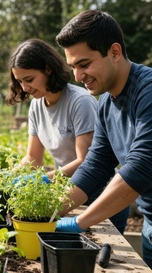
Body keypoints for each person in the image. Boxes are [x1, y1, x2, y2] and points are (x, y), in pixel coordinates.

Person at [54, 10, 152, 267]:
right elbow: (95, 166)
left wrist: (79, 222)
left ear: (115, 52)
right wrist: (49, 210)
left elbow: (141, 167)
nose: (77, 76)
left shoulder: (148, 92)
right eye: (73, 66)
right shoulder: (106, 104)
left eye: (84, 64)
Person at [6, 38, 129, 234]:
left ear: (48, 69)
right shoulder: (37, 105)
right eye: (19, 81)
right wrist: (8, 178)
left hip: (99, 197)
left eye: (29, 79)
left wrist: (44, 179)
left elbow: (86, 161)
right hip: (67, 194)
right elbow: (32, 158)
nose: (24, 88)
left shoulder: (80, 102)